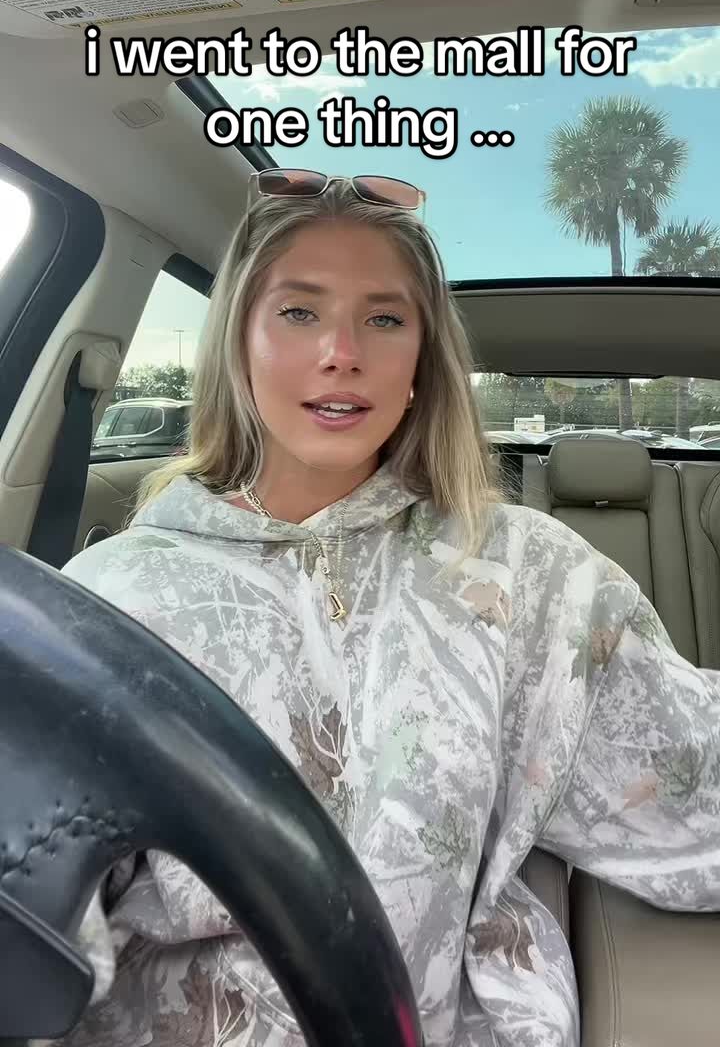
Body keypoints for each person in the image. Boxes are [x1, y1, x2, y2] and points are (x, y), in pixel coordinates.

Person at [57, 171, 720, 1047]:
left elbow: (688, 772)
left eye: (385, 319)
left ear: (421, 363)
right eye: (299, 312)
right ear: (239, 345)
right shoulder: (114, 593)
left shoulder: (530, 571)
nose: (342, 351)